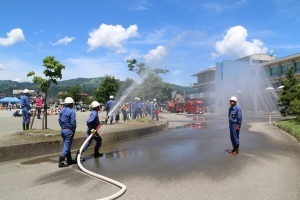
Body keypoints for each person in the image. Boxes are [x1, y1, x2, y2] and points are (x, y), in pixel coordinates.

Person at [58, 97, 77, 168]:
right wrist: (73, 129)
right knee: (66, 146)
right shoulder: (71, 112)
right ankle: (61, 161)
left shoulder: (62, 111)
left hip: (63, 130)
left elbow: (59, 120)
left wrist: (63, 127)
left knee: (67, 145)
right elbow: (73, 123)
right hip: (69, 130)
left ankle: (69, 160)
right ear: (71, 104)